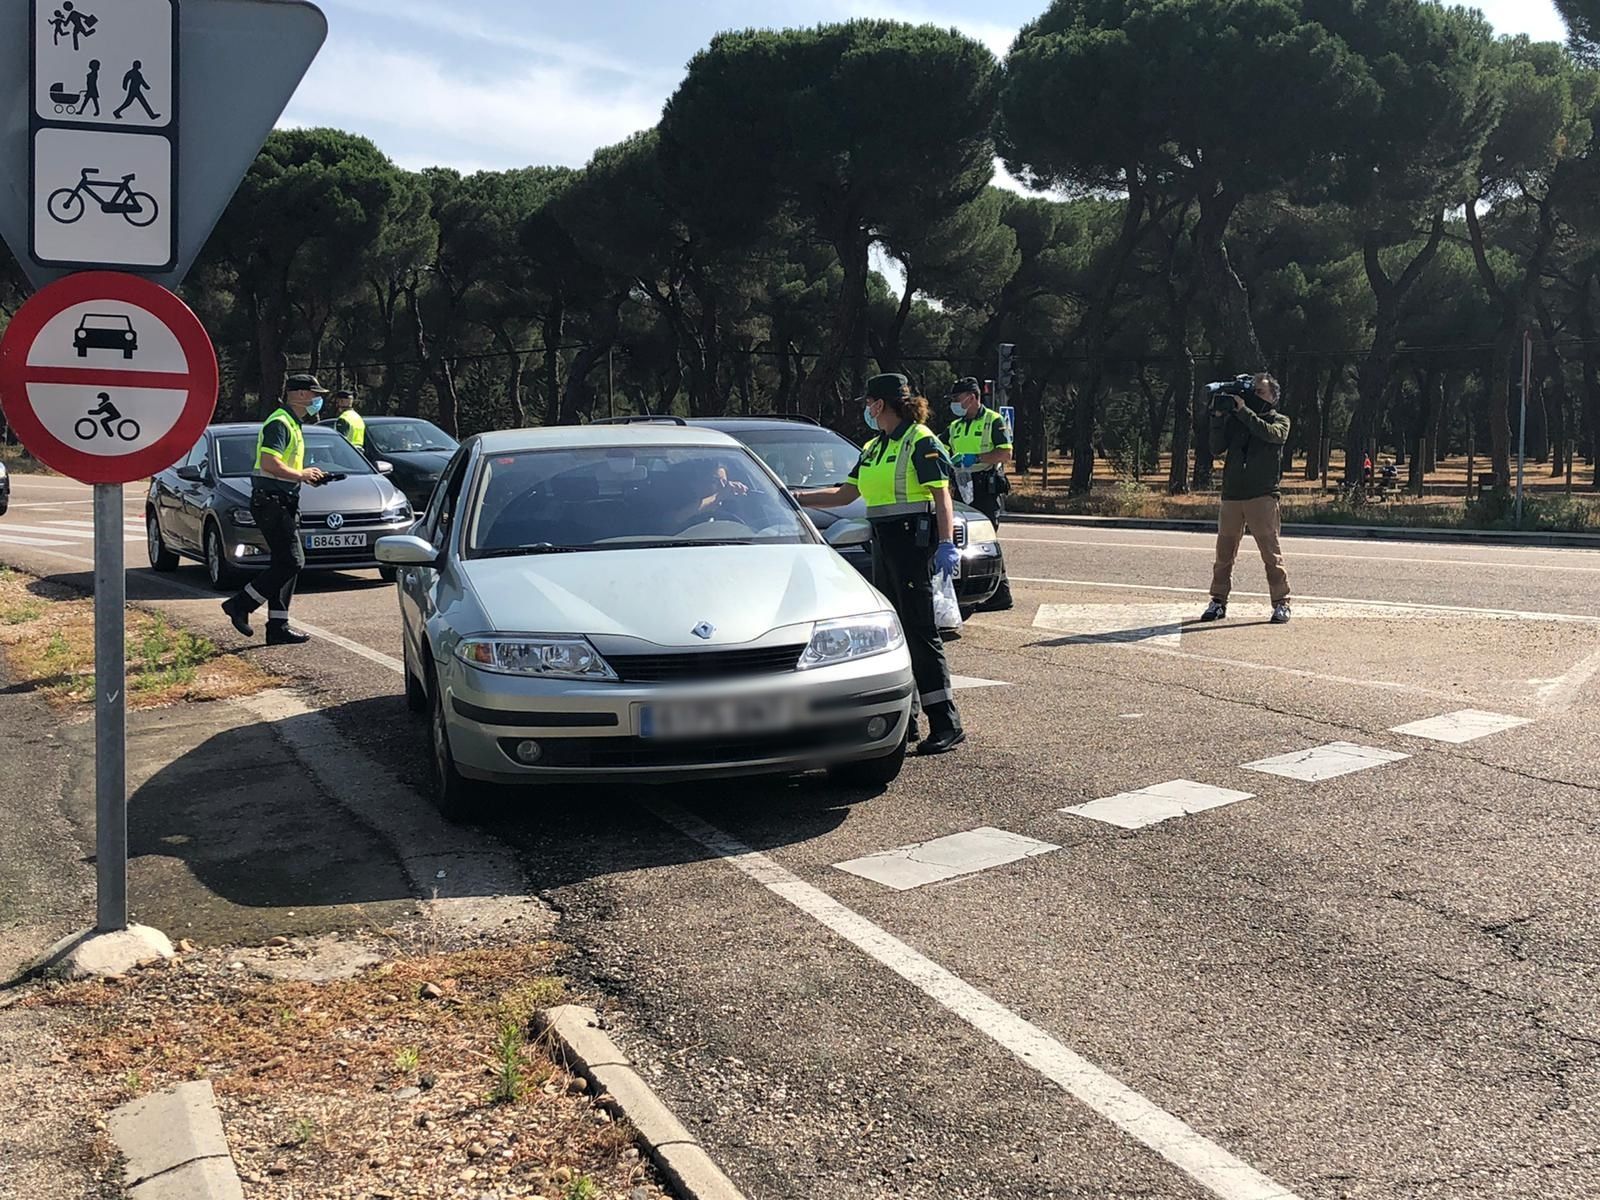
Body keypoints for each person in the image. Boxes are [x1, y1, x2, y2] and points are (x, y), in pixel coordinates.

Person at [799, 374, 964, 755]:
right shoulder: (873, 447)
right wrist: (796, 498)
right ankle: (908, 718)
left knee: (920, 631)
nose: (867, 409)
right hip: (884, 541)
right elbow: (845, 494)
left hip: (911, 541)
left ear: (880, 404)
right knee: (897, 632)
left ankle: (946, 722)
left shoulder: (919, 440)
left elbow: (942, 495)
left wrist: (944, 543)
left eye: (869, 402)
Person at [220, 375, 329, 646]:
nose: (318, 400)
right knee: (292, 562)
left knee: (284, 564)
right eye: (315, 394)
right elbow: (270, 463)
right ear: (300, 394)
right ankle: (240, 604)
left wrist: (306, 477)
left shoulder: (293, 423)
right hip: (272, 501)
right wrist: (301, 474)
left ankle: (278, 626)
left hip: (281, 500)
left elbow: (283, 467)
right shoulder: (280, 423)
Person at [1201, 373, 1292, 625]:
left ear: (1273, 397)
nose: (1255, 396)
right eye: (1253, 391)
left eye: (1260, 392)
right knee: (1224, 554)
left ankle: (1281, 603)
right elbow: (1216, 447)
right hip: (1232, 496)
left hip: (1262, 496)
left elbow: (1271, 435)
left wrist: (1244, 412)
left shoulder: (1280, 421)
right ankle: (1217, 601)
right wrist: (1218, 419)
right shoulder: (1238, 420)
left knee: (1271, 555)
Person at [945, 376, 1014, 611]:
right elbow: (940, 447)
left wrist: (975, 458)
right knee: (968, 540)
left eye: (957, 398)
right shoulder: (955, 426)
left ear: (973, 397)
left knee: (985, 538)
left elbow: (1005, 454)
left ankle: (999, 593)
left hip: (985, 485)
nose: (955, 403)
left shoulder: (993, 421)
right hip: (962, 485)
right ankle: (991, 592)